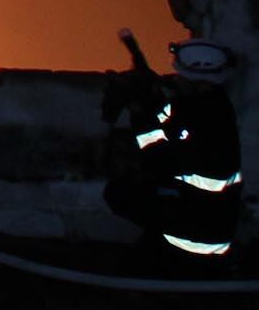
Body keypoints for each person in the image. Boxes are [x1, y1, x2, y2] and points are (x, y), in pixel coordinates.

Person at [104, 29, 244, 259]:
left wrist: (139, 114)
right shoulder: (201, 105)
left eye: (182, 77)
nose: (176, 79)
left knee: (121, 193)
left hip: (200, 234)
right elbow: (169, 118)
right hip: (198, 211)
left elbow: (157, 160)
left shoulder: (212, 122)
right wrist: (148, 95)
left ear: (200, 83)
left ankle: (166, 259)